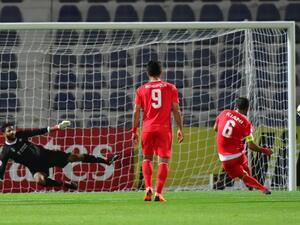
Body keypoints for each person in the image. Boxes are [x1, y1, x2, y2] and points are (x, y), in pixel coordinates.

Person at [0, 121, 119, 190]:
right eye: (9, 131)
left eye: (13, 129)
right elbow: (2, 167)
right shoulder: (6, 151)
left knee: (74, 157)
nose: (13, 132)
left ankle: (106, 160)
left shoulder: (20, 135)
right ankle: (65, 184)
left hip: (46, 156)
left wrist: (56, 127)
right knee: (39, 180)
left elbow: (38, 131)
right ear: (4, 134)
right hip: (35, 168)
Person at [132, 61, 183, 202]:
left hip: (147, 128)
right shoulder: (170, 88)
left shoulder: (141, 89)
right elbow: (176, 110)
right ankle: (158, 193)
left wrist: (134, 130)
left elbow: (136, 111)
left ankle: (148, 187)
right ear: (161, 72)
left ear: (147, 73)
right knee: (163, 161)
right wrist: (180, 128)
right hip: (164, 129)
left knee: (147, 158)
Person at [214, 97, 273, 194]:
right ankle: (251, 184)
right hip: (238, 155)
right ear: (247, 109)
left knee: (242, 175)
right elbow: (251, 146)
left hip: (225, 158)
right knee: (243, 158)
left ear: (235, 106)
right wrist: (265, 150)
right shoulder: (246, 123)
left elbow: (215, 128)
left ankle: (262, 188)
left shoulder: (224, 112)